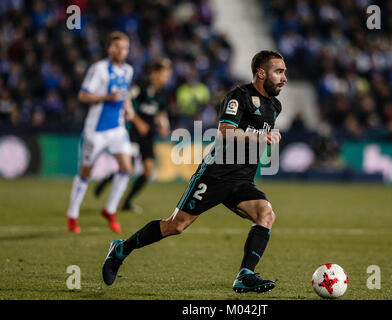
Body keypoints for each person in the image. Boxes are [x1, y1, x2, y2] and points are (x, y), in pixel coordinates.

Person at [102, 50, 287, 294]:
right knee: (175, 226)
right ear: (261, 73)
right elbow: (225, 132)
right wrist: (260, 136)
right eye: (279, 72)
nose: (284, 78)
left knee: (266, 214)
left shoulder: (275, 106)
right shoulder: (238, 96)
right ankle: (121, 249)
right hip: (215, 175)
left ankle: (245, 274)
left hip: (242, 180)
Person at [66, 31, 135, 234]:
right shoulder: (99, 69)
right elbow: (83, 96)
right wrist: (106, 97)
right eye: (118, 47)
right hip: (95, 131)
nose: (122, 51)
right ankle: (72, 214)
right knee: (86, 172)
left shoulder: (128, 70)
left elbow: (125, 94)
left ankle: (110, 210)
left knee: (127, 169)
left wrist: (128, 108)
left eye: (125, 48)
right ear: (109, 49)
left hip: (117, 129)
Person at [94, 58, 172, 213]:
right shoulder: (141, 86)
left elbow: (160, 112)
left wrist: (164, 125)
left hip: (148, 135)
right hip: (133, 133)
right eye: (165, 74)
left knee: (148, 170)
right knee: (127, 169)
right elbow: (126, 102)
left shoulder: (162, 92)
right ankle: (107, 182)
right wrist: (138, 122)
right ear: (155, 73)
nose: (167, 78)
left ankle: (126, 202)